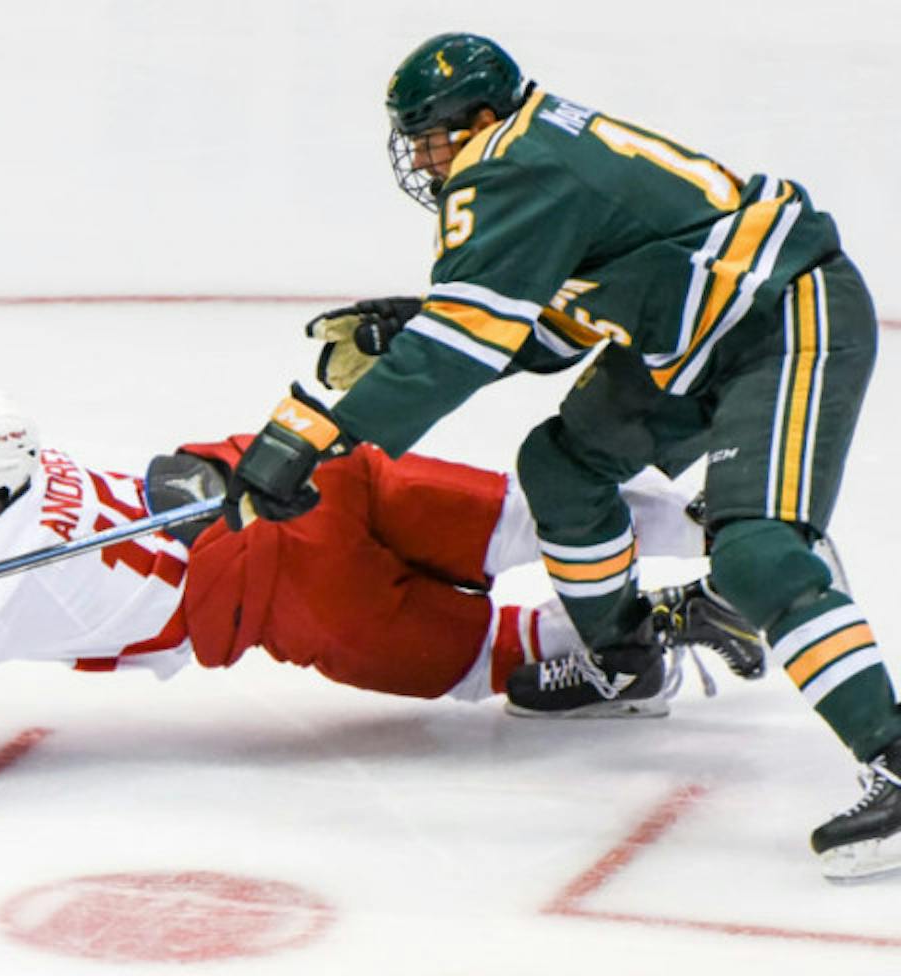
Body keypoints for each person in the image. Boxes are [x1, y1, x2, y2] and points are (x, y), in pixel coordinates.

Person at [209, 33, 900, 879]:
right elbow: (546, 326)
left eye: (431, 136)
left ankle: (888, 747)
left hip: (783, 321)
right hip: (690, 335)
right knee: (562, 468)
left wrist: (317, 436)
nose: (423, 159)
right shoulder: (534, 147)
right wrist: (411, 330)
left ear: (483, 118)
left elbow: (459, 350)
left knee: (754, 549)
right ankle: (625, 659)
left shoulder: (510, 167)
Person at [0, 389, 755, 796]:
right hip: (301, 474)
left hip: (290, 597)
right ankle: (722, 528)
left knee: (479, 659)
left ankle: (646, 630)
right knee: (521, 512)